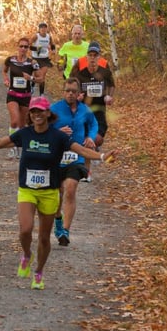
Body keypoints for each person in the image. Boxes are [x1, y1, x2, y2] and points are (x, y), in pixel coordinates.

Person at [0, 96, 117, 290]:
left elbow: (81, 150)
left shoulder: (58, 137)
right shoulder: (25, 134)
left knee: (44, 237)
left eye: (40, 111)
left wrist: (101, 156)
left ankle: (39, 271)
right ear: (30, 115)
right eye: (33, 111)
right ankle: (26, 255)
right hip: (27, 191)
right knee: (25, 230)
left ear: (48, 113)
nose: (37, 114)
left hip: (49, 192)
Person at [50, 78, 98, 246]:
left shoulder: (85, 110)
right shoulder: (54, 109)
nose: (70, 94)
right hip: (56, 157)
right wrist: (57, 131)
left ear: (79, 94)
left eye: (73, 91)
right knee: (57, 194)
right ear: (63, 92)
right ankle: (57, 219)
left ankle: (65, 230)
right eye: (67, 90)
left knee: (70, 189)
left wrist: (90, 138)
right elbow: (41, 127)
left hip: (76, 157)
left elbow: (93, 125)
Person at [69, 41, 116, 181]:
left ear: (99, 57)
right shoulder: (80, 72)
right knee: (87, 140)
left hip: (99, 110)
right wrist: (77, 96)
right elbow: (71, 84)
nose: (93, 58)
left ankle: (94, 151)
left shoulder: (104, 71)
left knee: (97, 139)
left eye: (95, 55)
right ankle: (87, 173)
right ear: (87, 56)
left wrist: (109, 96)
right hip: (84, 111)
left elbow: (112, 85)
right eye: (90, 55)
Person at [2, 37, 42, 158]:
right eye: (21, 46)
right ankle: (13, 147)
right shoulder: (10, 59)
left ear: (28, 48)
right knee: (14, 121)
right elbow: (4, 71)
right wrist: (6, 79)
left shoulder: (32, 63)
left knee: (22, 125)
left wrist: (31, 78)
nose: (23, 49)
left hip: (26, 96)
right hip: (12, 94)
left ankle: (20, 148)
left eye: (26, 47)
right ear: (17, 47)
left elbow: (41, 79)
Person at [29, 22, 56, 95]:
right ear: (39, 29)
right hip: (35, 59)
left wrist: (53, 50)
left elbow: (52, 44)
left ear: (46, 29)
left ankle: (41, 94)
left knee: (42, 76)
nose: (43, 29)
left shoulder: (48, 36)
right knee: (36, 75)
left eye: (45, 27)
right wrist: (37, 49)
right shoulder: (36, 36)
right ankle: (32, 86)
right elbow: (28, 45)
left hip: (45, 59)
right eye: (41, 28)